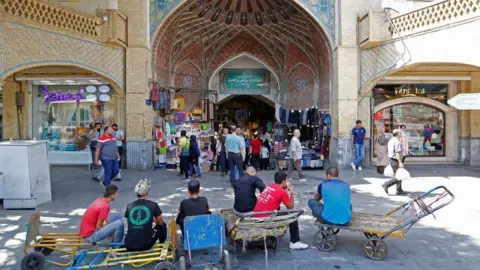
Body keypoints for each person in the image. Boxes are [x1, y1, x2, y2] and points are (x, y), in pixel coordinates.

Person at [253, 171, 308, 250]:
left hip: (257, 216)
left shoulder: (269, 186)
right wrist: (292, 193)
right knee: (293, 216)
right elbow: (290, 208)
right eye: (286, 180)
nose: (287, 182)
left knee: (278, 208)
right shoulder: (282, 192)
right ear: (283, 181)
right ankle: (295, 242)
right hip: (266, 220)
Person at [124, 179, 166, 251]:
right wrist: (153, 220)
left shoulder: (129, 206)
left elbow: (129, 223)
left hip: (128, 244)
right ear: (146, 194)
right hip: (145, 244)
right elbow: (160, 223)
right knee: (163, 225)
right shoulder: (153, 205)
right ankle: (162, 246)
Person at [382, 129, 407, 195]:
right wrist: (400, 162)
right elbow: (397, 153)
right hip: (395, 160)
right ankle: (386, 184)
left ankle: (399, 189)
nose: (401, 134)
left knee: (398, 174)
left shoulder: (391, 140)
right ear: (398, 134)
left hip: (392, 159)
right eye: (400, 133)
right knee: (399, 176)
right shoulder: (397, 142)